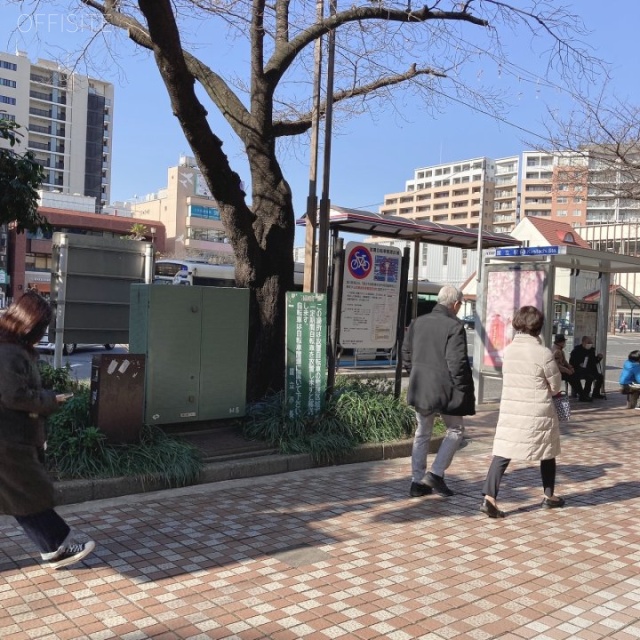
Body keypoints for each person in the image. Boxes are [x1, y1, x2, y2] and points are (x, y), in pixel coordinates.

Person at [0, 291, 95, 569]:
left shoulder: (10, 348)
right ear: (29, 325)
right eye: (42, 328)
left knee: (22, 495)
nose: (43, 335)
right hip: (8, 441)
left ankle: (54, 547)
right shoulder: (8, 353)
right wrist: (49, 400)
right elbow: (13, 395)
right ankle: (56, 545)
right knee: (27, 493)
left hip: (10, 439)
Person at [480, 306, 564, 518]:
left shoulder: (510, 351)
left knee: (503, 452)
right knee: (547, 452)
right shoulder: (543, 353)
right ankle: (549, 496)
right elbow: (555, 386)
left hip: (512, 410)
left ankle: (489, 497)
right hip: (538, 411)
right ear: (538, 326)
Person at [402, 284, 475, 498]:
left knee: (422, 433)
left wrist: (414, 373)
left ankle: (417, 482)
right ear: (455, 304)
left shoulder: (418, 322)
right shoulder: (454, 326)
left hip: (420, 386)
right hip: (446, 388)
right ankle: (435, 473)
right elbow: (457, 362)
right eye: (460, 305)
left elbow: (406, 352)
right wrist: (461, 388)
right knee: (456, 430)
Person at [569, 335, 605, 400]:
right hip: (579, 370)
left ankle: (596, 393)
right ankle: (585, 394)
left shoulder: (591, 350)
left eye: (591, 343)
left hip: (589, 370)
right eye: (588, 342)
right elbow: (572, 362)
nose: (590, 344)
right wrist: (579, 364)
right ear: (583, 342)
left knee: (600, 377)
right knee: (589, 377)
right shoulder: (577, 350)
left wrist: (599, 358)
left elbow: (593, 361)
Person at [551, 334, 585, 400]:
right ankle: (581, 395)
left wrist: (570, 367)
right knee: (574, 377)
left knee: (574, 375)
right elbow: (557, 365)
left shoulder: (559, 349)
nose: (564, 343)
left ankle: (581, 394)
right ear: (560, 342)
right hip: (558, 372)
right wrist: (567, 370)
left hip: (561, 370)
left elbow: (564, 361)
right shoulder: (556, 351)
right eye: (563, 342)